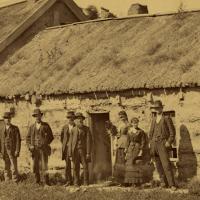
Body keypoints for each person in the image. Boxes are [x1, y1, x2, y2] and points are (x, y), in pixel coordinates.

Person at [149, 100, 177, 190]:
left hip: (163, 144)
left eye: (158, 108)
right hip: (154, 145)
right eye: (155, 108)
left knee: (166, 165)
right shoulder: (153, 119)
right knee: (158, 165)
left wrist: (169, 142)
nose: (157, 110)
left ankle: (172, 184)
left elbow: (172, 132)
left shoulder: (167, 118)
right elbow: (151, 133)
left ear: (162, 108)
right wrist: (151, 142)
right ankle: (163, 183)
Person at [26, 108, 54, 185]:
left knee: (44, 165)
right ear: (34, 117)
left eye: (38, 116)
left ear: (40, 116)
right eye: (35, 116)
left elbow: (51, 137)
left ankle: (46, 182)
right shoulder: (32, 127)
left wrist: (45, 143)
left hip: (43, 150)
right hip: (34, 150)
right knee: (36, 165)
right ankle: (37, 181)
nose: (37, 117)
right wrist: (30, 146)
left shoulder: (46, 125)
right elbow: (27, 138)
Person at [68, 112, 91, 186]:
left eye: (81, 118)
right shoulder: (73, 130)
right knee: (75, 167)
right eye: (78, 119)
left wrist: (88, 153)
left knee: (85, 166)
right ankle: (76, 182)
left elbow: (89, 141)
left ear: (82, 120)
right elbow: (70, 143)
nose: (79, 120)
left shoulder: (86, 129)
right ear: (75, 120)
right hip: (75, 151)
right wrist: (70, 154)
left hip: (83, 151)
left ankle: (86, 182)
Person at [124, 117, 146, 186]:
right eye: (134, 123)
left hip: (137, 148)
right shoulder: (129, 131)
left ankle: (137, 182)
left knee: (136, 164)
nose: (135, 124)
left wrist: (141, 150)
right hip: (130, 148)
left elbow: (143, 141)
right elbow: (127, 141)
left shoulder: (141, 131)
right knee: (129, 164)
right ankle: (130, 182)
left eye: (136, 123)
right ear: (132, 123)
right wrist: (126, 149)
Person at [0, 112, 21, 182]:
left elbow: (18, 140)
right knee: (6, 165)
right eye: (6, 118)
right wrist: (0, 151)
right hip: (4, 150)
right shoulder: (1, 129)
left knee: (13, 165)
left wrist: (17, 150)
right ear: (4, 119)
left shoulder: (15, 128)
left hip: (12, 149)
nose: (7, 120)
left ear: (11, 119)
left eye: (8, 118)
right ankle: (7, 179)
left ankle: (15, 179)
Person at [113, 111, 130, 184]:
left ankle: (125, 181)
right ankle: (120, 181)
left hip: (125, 144)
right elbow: (119, 134)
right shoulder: (120, 124)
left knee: (123, 162)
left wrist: (127, 146)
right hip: (119, 145)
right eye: (120, 117)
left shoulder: (128, 125)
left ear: (126, 116)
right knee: (119, 162)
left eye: (122, 117)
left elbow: (130, 136)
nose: (121, 118)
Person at [61, 111, 76, 186]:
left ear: (74, 119)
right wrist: (66, 144)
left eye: (72, 118)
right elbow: (62, 138)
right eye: (69, 118)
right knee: (68, 165)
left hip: (75, 149)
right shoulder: (65, 127)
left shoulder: (76, 126)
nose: (70, 119)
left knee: (75, 164)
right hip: (67, 149)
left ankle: (76, 180)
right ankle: (69, 181)